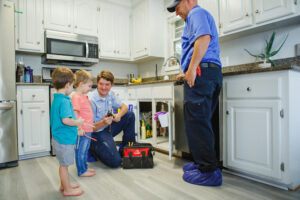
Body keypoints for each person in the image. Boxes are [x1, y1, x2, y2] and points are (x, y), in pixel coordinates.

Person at [167, 0, 223, 186]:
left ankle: (209, 171)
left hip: (201, 73)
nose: (176, 13)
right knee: (203, 122)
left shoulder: (195, 14)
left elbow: (203, 38)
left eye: (177, 8)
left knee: (197, 122)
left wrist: (192, 69)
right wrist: (189, 69)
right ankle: (205, 164)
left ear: (189, 1)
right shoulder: (198, 15)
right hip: (209, 72)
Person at [89, 70, 136, 168]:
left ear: (112, 85)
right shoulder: (91, 100)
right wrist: (103, 122)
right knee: (115, 162)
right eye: (101, 84)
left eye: (107, 84)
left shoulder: (110, 94)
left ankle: (126, 150)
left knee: (130, 115)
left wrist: (118, 115)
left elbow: (125, 107)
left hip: (108, 128)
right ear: (97, 83)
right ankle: (93, 149)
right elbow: (89, 128)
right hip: (96, 133)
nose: (103, 87)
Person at [50, 67, 85, 196]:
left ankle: (64, 184)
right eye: (72, 86)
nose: (73, 89)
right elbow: (66, 120)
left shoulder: (57, 99)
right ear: (67, 85)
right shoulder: (64, 101)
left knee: (62, 164)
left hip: (58, 138)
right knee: (64, 166)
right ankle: (68, 190)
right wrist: (78, 123)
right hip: (64, 140)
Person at [72, 70, 96, 177]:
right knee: (81, 150)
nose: (90, 89)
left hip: (88, 129)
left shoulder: (83, 96)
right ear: (81, 84)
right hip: (83, 130)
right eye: (89, 86)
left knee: (85, 150)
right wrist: (79, 128)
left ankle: (84, 167)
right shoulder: (76, 97)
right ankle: (81, 170)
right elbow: (75, 112)